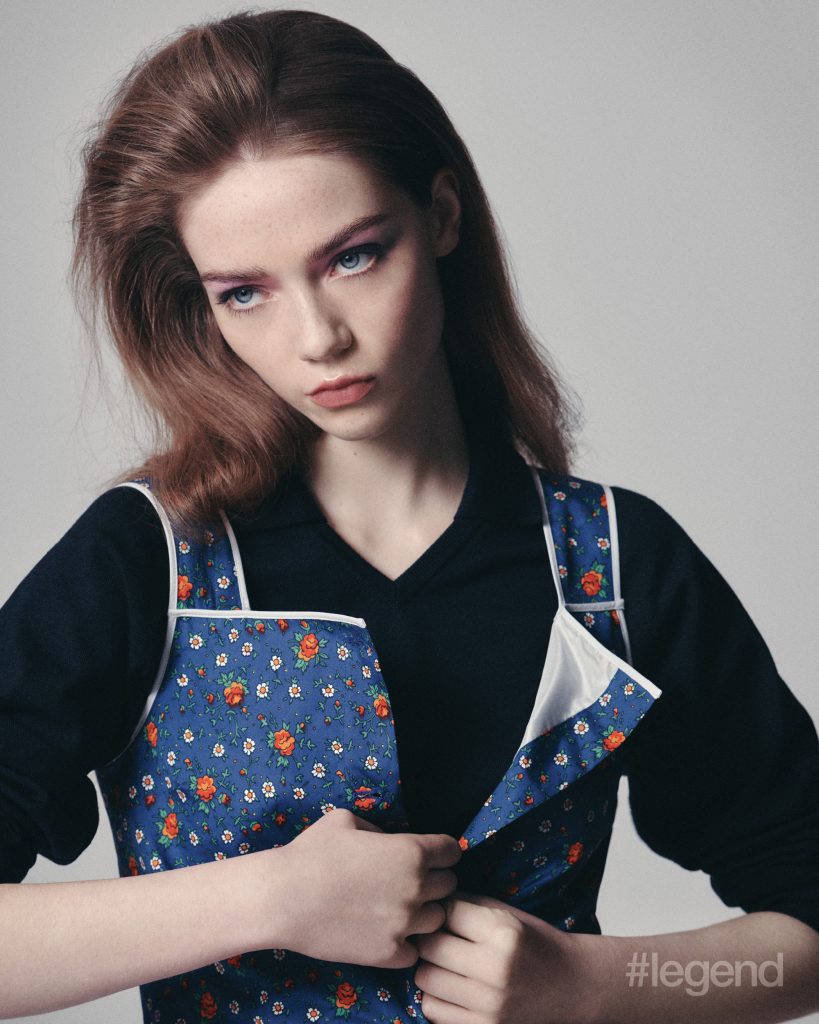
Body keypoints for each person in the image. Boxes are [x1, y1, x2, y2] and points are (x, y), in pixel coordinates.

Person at [0, 8, 817, 1023]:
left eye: (351, 257)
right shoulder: (146, 561)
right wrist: (266, 898)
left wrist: (594, 986)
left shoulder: (616, 563)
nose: (317, 338)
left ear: (440, 215)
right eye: (245, 292)